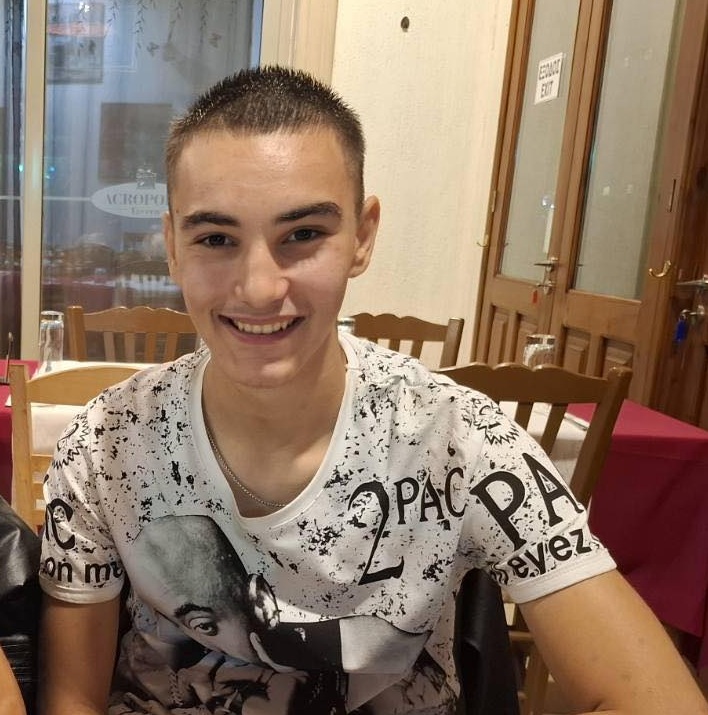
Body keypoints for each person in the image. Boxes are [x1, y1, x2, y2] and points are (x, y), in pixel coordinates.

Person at [37, 65, 707, 715]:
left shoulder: (459, 439)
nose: (260, 287)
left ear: (362, 236)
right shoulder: (104, 446)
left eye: (303, 234)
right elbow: (72, 698)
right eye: (216, 237)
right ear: (172, 247)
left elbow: (661, 700)